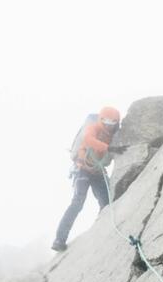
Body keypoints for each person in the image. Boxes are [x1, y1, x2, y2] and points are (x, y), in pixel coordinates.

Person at [51, 107, 121, 252]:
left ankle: (103, 229)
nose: (109, 124)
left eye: (113, 122)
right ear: (101, 119)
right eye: (106, 121)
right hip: (82, 169)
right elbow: (88, 139)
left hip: (97, 171)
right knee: (77, 203)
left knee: (107, 202)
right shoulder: (93, 128)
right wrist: (108, 148)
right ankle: (59, 240)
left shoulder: (115, 133)